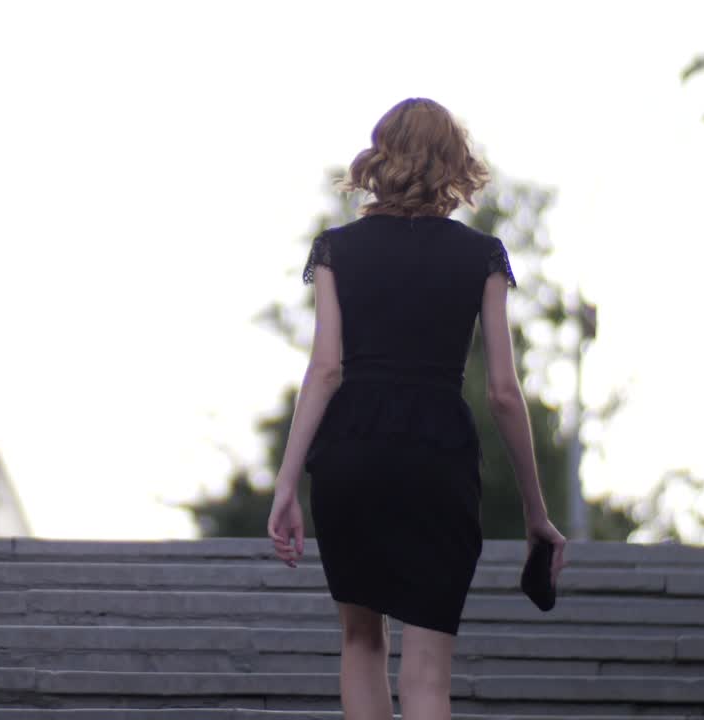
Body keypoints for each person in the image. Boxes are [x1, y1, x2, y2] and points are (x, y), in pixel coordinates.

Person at [266, 97, 569, 720]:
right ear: (453, 164)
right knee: (428, 677)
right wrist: (538, 512)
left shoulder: (336, 250)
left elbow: (325, 369)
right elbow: (504, 393)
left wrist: (287, 482)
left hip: (352, 452)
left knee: (360, 641)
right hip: (438, 459)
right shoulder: (481, 255)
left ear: (383, 156)